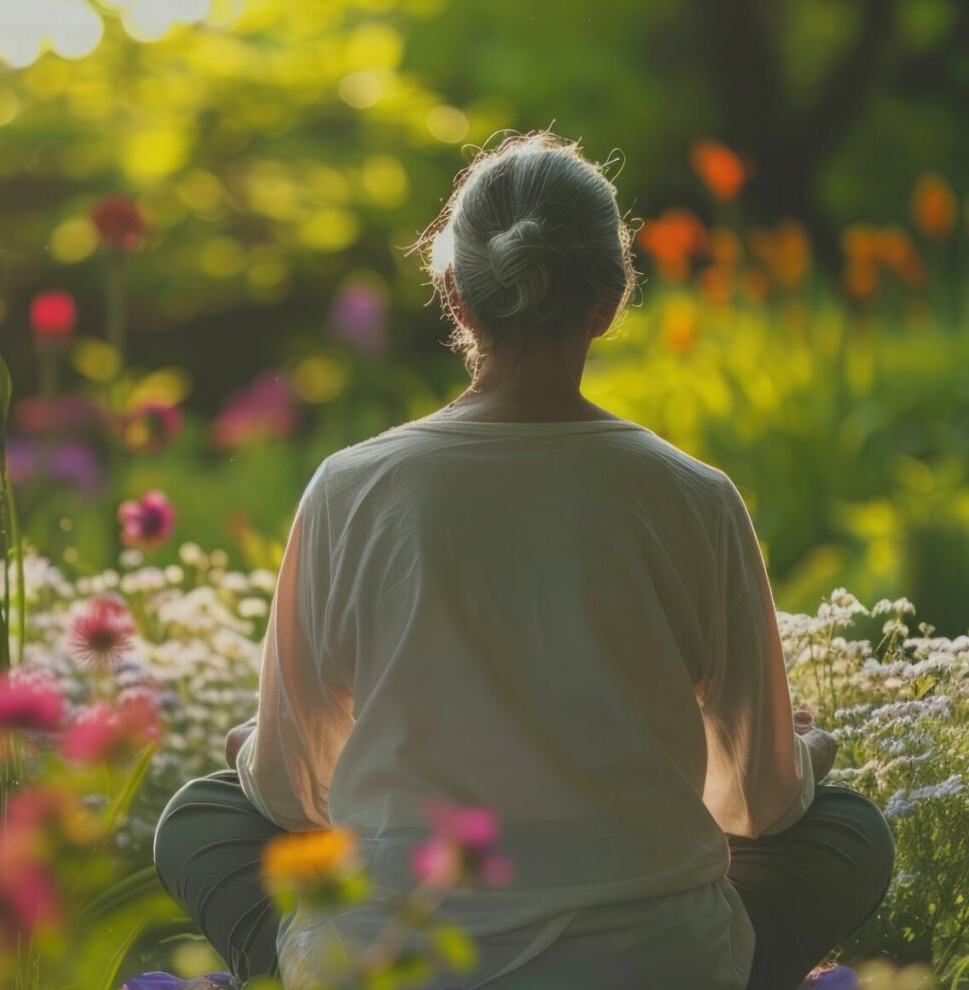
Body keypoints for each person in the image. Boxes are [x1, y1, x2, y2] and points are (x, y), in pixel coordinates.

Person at [153, 128, 895, 990]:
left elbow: (293, 799)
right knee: (845, 830)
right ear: (609, 302)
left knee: (202, 816)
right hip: (654, 964)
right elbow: (755, 806)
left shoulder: (349, 488)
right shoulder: (696, 496)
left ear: (458, 297)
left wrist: (261, 752)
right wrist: (806, 753)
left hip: (396, 960)